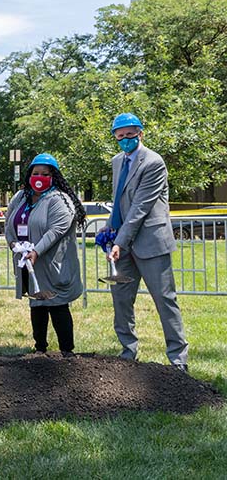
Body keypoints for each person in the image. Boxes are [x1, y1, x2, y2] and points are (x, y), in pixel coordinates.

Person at [105, 113, 189, 371]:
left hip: (151, 241)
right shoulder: (117, 161)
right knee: (120, 297)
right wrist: (109, 231)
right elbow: (119, 200)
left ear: (140, 133)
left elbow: (140, 207)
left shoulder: (153, 162)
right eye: (120, 136)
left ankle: (178, 359)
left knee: (164, 300)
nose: (125, 140)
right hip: (124, 242)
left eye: (130, 134)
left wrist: (120, 239)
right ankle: (128, 352)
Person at [4, 153, 85, 356]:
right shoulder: (21, 196)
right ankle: (39, 349)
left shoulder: (60, 199)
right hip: (28, 263)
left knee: (57, 305)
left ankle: (67, 351)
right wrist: (13, 243)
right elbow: (8, 222)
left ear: (54, 176)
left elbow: (57, 230)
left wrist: (36, 250)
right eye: (36, 173)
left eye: (45, 174)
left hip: (52, 263)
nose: (39, 177)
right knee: (37, 304)